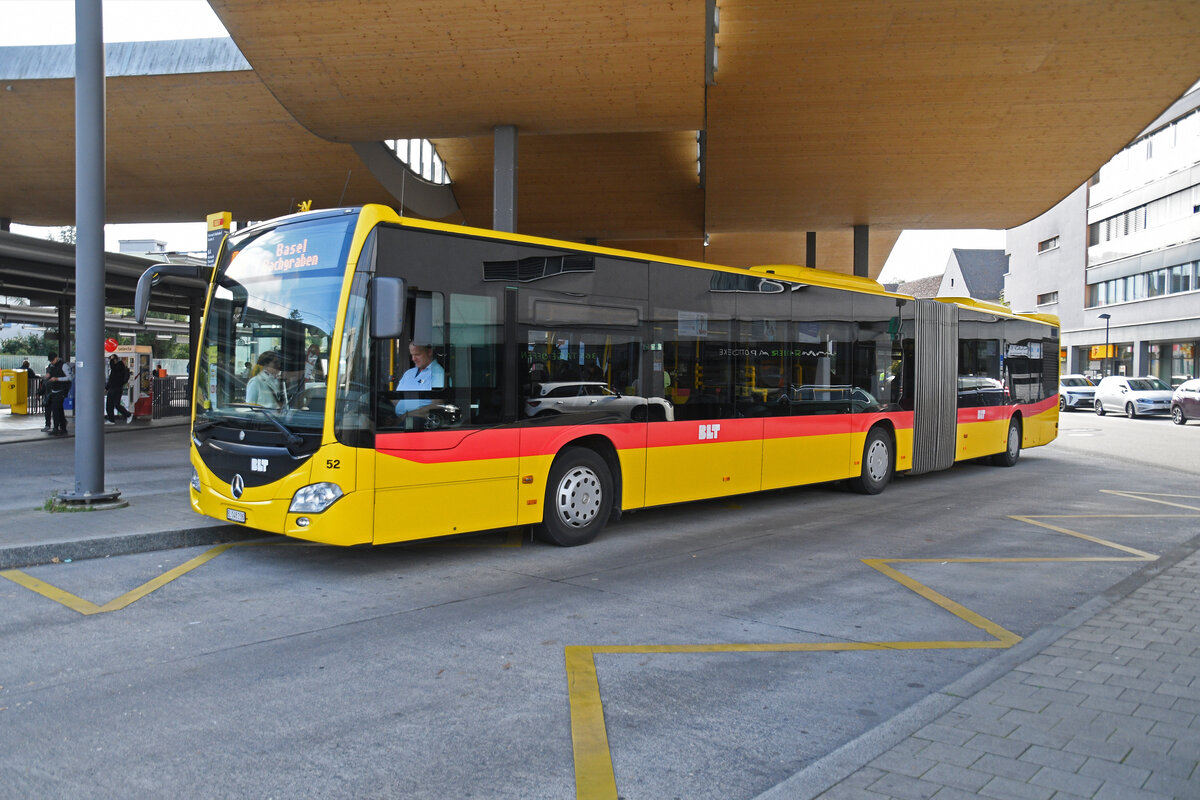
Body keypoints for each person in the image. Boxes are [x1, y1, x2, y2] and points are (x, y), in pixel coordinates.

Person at [394, 343, 444, 414]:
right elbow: (397, 397)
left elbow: (437, 405)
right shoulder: (409, 373)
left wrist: (406, 416)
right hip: (399, 419)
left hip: (419, 421)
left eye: (417, 354)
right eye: (412, 355)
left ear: (429, 352)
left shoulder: (438, 374)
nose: (413, 359)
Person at [44, 351, 71, 436]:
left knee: (55, 408)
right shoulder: (52, 366)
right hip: (54, 390)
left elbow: (70, 377)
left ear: (56, 358)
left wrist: (57, 379)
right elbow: (51, 373)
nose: (51, 362)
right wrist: (49, 376)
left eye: (52, 360)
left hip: (62, 390)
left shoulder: (64, 365)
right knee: (59, 409)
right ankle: (63, 427)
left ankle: (56, 428)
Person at [104, 353, 132, 424]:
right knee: (109, 405)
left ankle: (128, 414)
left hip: (117, 388)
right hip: (112, 388)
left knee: (116, 404)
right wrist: (107, 388)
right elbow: (111, 379)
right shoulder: (113, 369)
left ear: (115, 359)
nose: (111, 362)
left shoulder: (120, 365)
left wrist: (112, 360)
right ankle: (111, 420)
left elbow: (114, 368)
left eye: (112, 360)